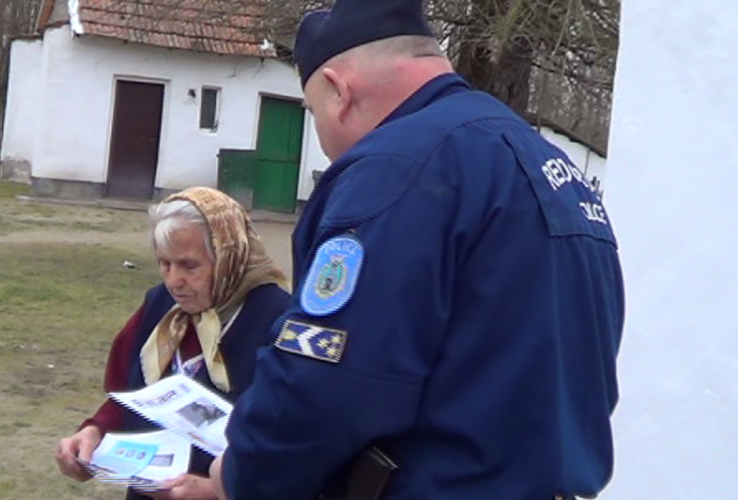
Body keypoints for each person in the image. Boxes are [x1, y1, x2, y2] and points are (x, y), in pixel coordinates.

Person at [212, 1, 625, 499]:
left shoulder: (396, 166)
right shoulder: (553, 169)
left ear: (339, 92)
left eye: (313, 111)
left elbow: (328, 379)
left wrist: (243, 472)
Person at [55, 186, 290, 500]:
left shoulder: (278, 321)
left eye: (189, 266)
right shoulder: (161, 306)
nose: (173, 281)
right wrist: (94, 432)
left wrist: (217, 490)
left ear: (229, 256)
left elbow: (293, 441)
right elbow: (130, 396)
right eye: (165, 264)